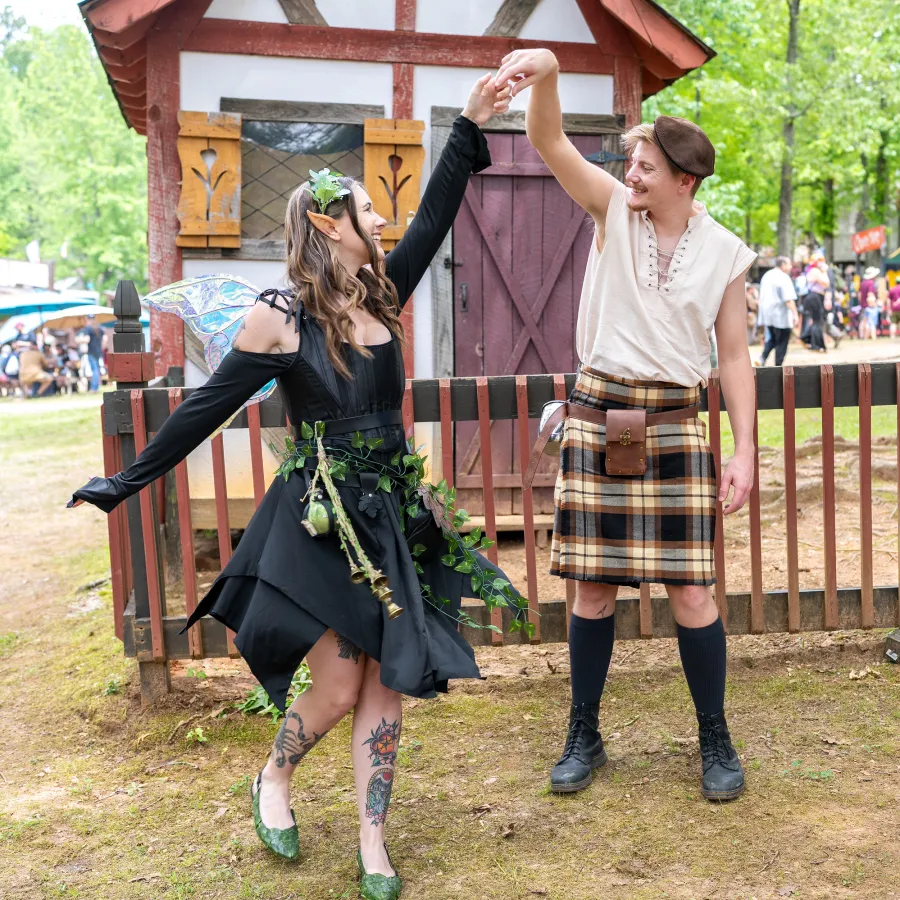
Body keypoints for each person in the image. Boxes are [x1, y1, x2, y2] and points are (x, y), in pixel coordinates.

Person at [70, 76, 515, 900]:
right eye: (363, 209)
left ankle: (373, 843)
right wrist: (124, 481)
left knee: (391, 673)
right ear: (324, 222)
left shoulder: (383, 291)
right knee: (342, 681)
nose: (380, 220)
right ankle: (273, 776)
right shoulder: (280, 317)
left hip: (391, 508)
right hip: (325, 518)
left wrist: (472, 122)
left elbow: (437, 212)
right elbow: (205, 408)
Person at [497, 48, 756, 803]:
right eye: (630, 161)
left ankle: (715, 736)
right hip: (599, 414)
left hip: (677, 426)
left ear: (686, 179)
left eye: (645, 166)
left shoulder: (726, 254)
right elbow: (551, 143)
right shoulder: (612, 208)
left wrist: (743, 450)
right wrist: (545, 72)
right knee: (593, 591)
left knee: (692, 596)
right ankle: (585, 732)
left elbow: (734, 358)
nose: (631, 174)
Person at [758, 256, 798, 366]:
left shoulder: (767, 275)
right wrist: (795, 314)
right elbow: (788, 299)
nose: (790, 267)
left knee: (773, 338)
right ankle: (778, 365)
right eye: (789, 264)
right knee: (782, 341)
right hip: (780, 314)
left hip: (767, 314)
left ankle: (763, 358)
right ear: (783, 265)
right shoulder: (783, 277)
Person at [77, 314, 104, 392]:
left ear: (88, 319)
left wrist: (78, 339)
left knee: (94, 369)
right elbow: (104, 340)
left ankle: (94, 388)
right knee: (97, 369)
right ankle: (96, 387)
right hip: (98, 351)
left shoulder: (88, 329)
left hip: (91, 351)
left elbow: (87, 339)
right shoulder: (99, 328)